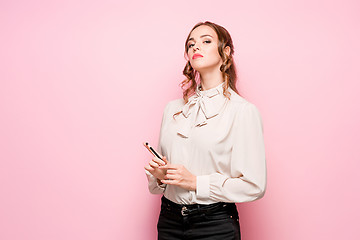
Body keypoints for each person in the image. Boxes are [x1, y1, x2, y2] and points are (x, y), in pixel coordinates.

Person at [144, 21, 267, 240]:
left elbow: (254, 186)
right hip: (169, 220)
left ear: (225, 52)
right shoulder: (173, 110)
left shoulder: (242, 112)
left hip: (214, 224)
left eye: (206, 41)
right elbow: (161, 183)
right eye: (190, 44)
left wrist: (195, 182)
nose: (195, 48)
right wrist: (162, 177)